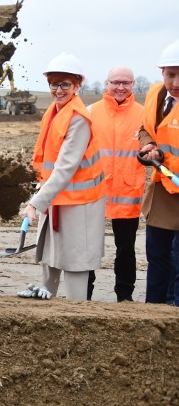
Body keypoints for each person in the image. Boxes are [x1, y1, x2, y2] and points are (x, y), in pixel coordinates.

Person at [18, 53, 107, 301]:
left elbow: (65, 167)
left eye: (65, 84)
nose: (58, 90)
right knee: (51, 254)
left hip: (81, 202)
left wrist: (36, 203)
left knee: (76, 260)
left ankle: (75, 312)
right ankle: (48, 309)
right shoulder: (56, 112)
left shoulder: (78, 119)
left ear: (77, 85)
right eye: (54, 84)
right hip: (58, 196)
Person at [86, 66, 145, 302]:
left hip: (128, 191)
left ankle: (124, 295)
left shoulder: (144, 114)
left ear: (133, 85)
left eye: (126, 83)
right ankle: (85, 293)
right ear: (106, 83)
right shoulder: (91, 112)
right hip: (94, 191)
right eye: (116, 82)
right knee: (89, 246)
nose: (121, 87)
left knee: (126, 248)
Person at [138, 40, 179, 306]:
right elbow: (145, 130)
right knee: (157, 257)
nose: (175, 82)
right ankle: (152, 314)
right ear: (162, 73)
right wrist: (148, 146)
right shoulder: (155, 94)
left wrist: (162, 157)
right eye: (170, 75)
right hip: (163, 191)